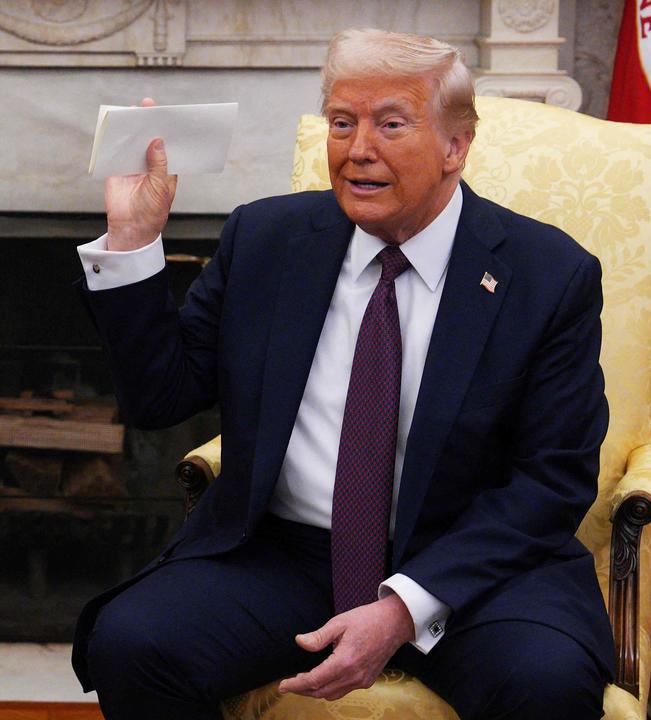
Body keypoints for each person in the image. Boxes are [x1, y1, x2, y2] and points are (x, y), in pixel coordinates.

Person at [72, 27, 613, 720]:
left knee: (546, 682)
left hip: (475, 569)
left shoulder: (547, 275)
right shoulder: (265, 240)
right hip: (288, 557)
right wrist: (133, 240)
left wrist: (402, 607)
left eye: (391, 124)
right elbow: (159, 396)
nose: (358, 149)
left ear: (456, 145)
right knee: (134, 643)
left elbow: (552, 481)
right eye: (341, 123)